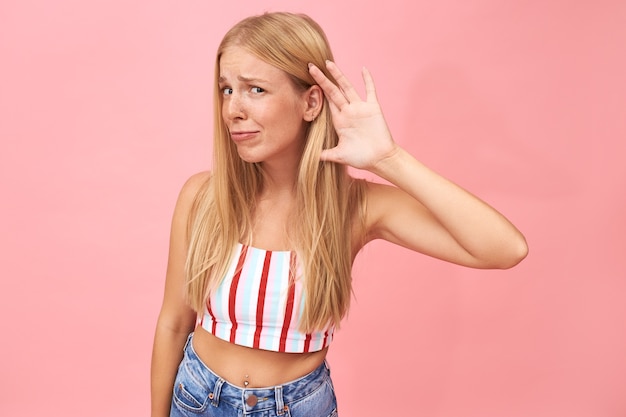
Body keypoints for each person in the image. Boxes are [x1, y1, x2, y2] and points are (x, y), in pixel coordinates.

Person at [151, 11, 528, 417]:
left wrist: (389, 158)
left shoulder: (356, 207)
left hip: (297, 407)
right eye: (226, 90)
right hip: (196, 400)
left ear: (311, 102)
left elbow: (505, 248)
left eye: (255, 89)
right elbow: (173, 324)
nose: (233, 110)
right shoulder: (202, 197)